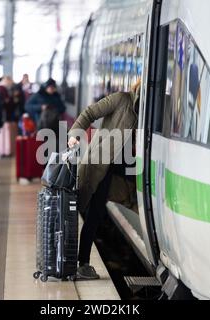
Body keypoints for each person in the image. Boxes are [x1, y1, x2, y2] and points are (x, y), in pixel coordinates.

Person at [67, 80, 141, 280]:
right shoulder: (122, 100)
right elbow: (89, 113)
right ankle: (80, 263)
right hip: (99, 166)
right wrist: (74, 135)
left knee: (102, 211)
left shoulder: (147, 112)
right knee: (91, 213)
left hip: (122, 167)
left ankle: (79, 262)